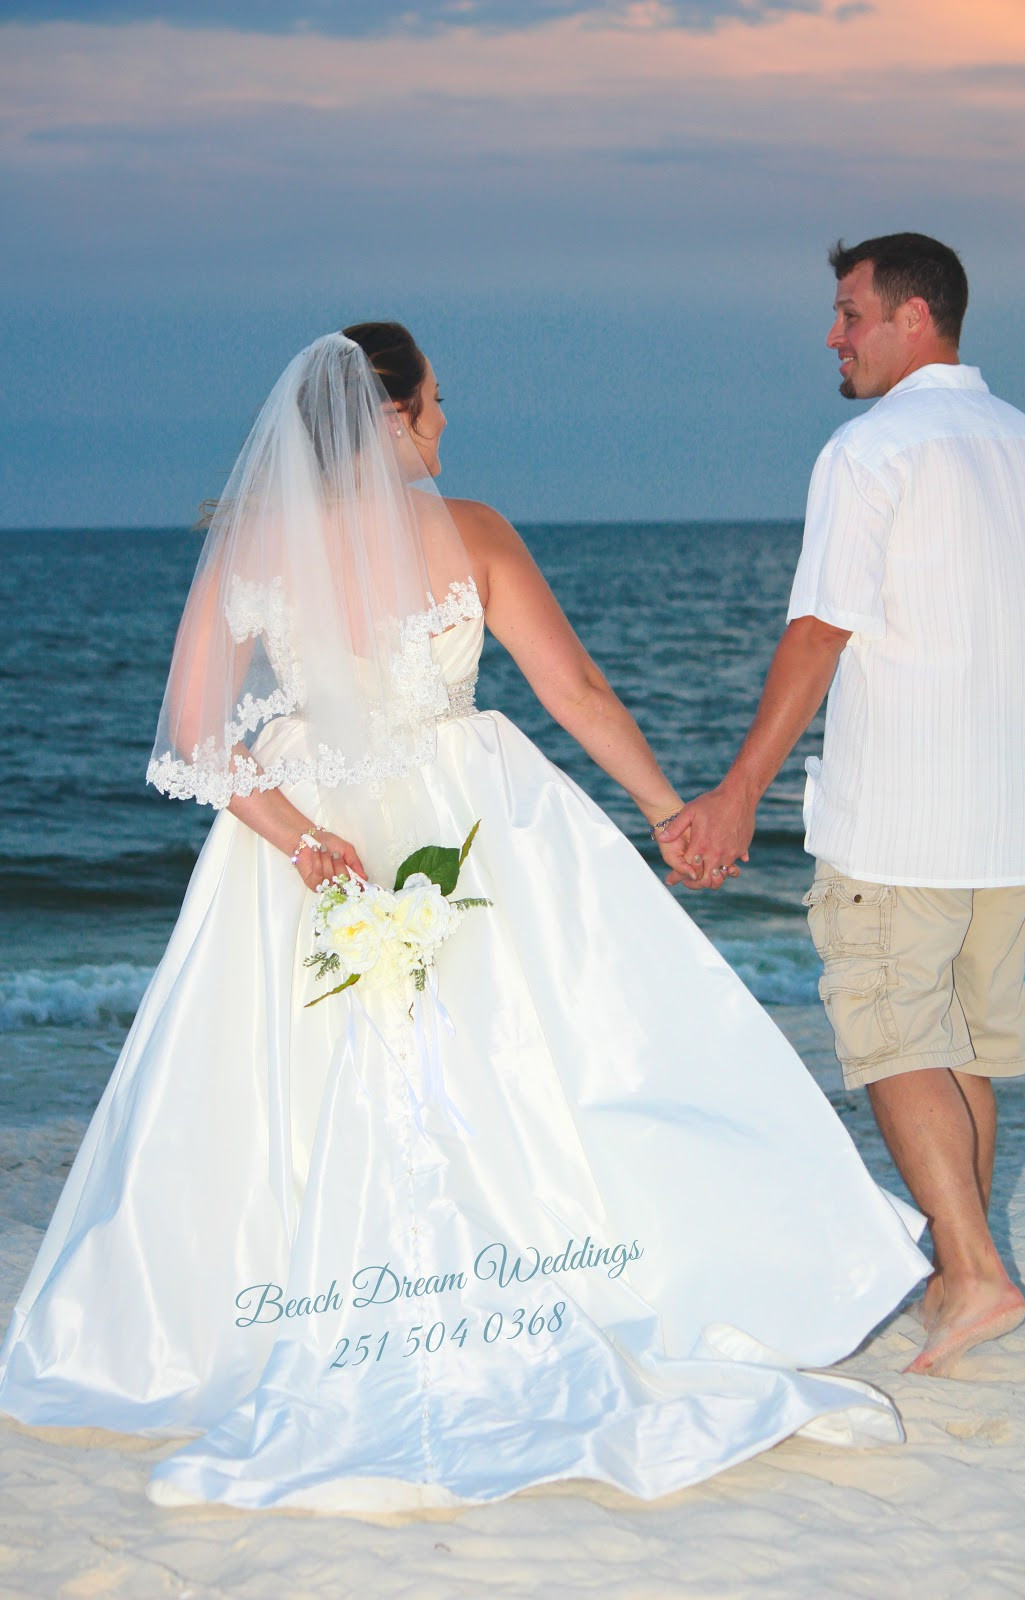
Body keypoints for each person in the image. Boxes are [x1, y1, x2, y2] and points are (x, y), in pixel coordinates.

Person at [0, 325, 927, 1513]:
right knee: (528, 1054)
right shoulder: (473, 532)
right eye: (433, 404)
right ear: (387, 413)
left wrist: (304, 847)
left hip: (309, 843)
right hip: (467, 814)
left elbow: (195, 740)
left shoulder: (252, 546)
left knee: (293, 1079)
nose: (446, 425)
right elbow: (574, 692)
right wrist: (667, 813)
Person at [662, 233, 1025, 1379]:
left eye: (848, 313)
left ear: (914, 318)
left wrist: (737, 787)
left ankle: (976, 1272)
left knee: (891, 1035)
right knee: (962, 1050)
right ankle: (959, 1271)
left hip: (903, 812)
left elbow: (817, 630)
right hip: (1012, 819)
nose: (831, 336)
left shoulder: (870, 450)